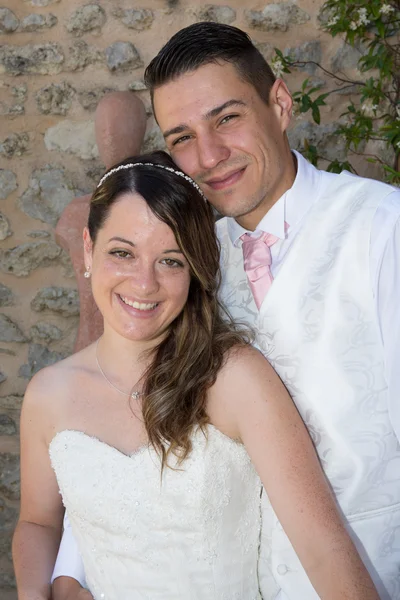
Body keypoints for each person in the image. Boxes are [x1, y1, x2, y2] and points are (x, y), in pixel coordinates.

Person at [49, 22, 400, 600]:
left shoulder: (381, 231)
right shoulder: (184, 262)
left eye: (227, 118)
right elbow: (125, 408)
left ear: (280, 103)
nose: (208, 156)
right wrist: (75, 566)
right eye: (182, 136)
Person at [12, 151, 379, 600]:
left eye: (170, 260)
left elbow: (322, 548)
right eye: (122, 252)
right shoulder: (48, 394)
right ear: (89, 249)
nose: (143, 284)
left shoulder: (232, 378)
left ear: (195, 270)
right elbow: (38, 521)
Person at [56, 91, 147, 351]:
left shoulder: (157, 208)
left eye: (123, 126)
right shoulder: (75, 213)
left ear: (141, 132)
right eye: (105, 128)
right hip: (87, 342)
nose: (111, 136)